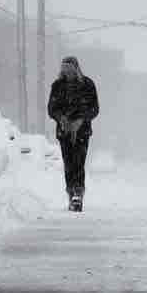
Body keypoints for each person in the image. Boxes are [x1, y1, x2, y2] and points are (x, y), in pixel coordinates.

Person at [47, 56, 99, 212]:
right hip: (64, 131)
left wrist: (81, 119)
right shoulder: (57, 86)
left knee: (79, 162)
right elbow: (51, 108)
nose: (67, 71)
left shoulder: (87, 84)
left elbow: (95, 108)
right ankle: (70, 192)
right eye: (64, 68)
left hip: (82, 131)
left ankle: (78, 193)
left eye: (70, 68)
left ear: (76, 68)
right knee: (68, 163)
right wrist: (61, 118)